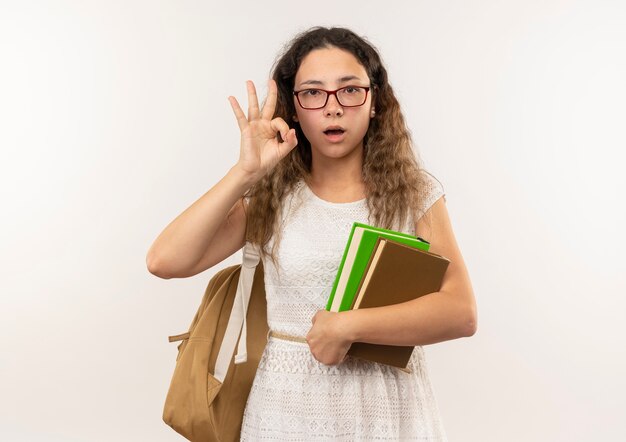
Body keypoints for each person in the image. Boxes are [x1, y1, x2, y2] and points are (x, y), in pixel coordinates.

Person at [147, 26, 476, 441]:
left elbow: (460, 311)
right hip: (288, 406)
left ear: (375, 101)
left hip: (388, 408)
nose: (332, 107)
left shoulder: (414, 193)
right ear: (295, 107)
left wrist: (348, 327)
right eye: (314, 93)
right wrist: (244, 173)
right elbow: (164, 260)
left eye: (349, 90)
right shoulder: (272, 196)